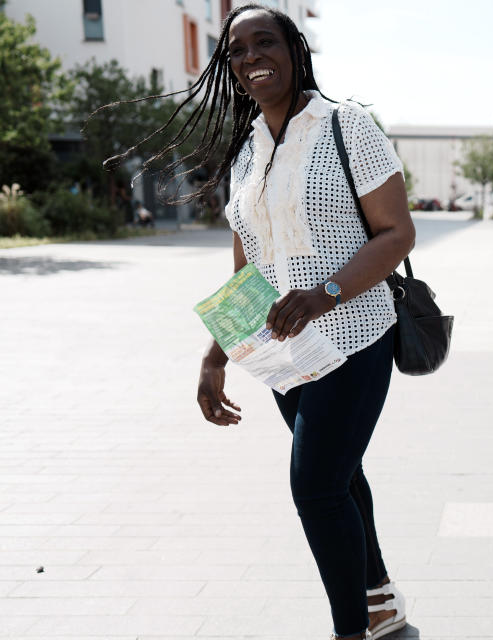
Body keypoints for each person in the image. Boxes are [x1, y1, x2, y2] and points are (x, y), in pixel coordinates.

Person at [104, 5, 413, 640]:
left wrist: (324, 292)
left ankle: (353, 630)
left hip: (355, 336)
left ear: (295, 50)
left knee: (316, 488)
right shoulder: (246, 152)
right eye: (237, 50)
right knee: (340, 475)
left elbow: (396, 234)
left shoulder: (346, 125)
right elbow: (247, 265)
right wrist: (216, 354)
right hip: (286, 356)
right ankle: (378, 595)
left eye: (264, 42)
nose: (251, 57)